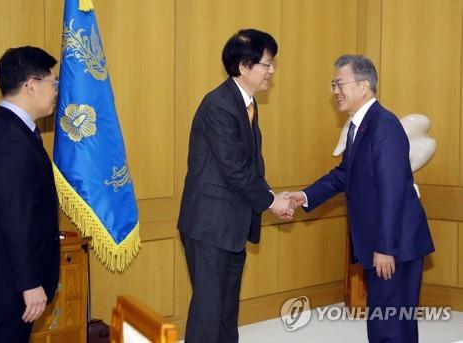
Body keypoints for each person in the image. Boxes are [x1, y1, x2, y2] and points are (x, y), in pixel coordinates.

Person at [288, 55, 435, 343]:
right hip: (388, 243)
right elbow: (344, 174)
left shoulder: (384, 126)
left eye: (339, 84)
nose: (335, 91)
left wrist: (384, 247)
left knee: (389, 330)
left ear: (363, 86)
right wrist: (304, 196)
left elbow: (392, 190)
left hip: (395, 246)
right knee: (388, 326)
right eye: (333, 85)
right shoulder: (362, 126)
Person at [177, 29, 293, 343]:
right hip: (210, 225)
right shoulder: (219, 106)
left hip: (230, 225)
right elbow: (235, 170)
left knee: (225, 311)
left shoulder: (246, 104)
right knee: (209, 311)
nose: (272, 71)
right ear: (243, 66)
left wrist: (272, 197)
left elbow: (251, 166)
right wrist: (271, 201)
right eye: (266, 64)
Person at [0, 46, 61, 343]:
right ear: (31, 86)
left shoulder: (4, 129)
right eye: (53, 82)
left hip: (4, 283)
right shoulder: (10, 140)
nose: (57, 90)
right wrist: (29, 283)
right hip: (8, 287)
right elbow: (14, 219)